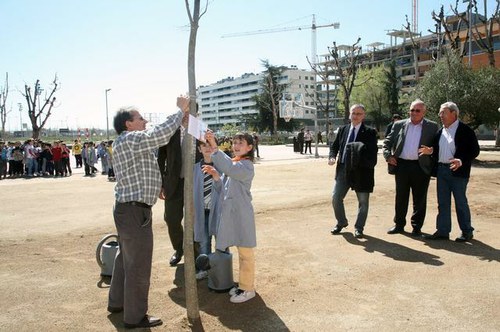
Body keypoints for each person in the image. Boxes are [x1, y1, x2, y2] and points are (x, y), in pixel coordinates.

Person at [107, 96, 189, 329]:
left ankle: (117, 303)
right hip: (134, 212)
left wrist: (158, 184)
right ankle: (135, 318)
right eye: (140, 118)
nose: (144, 121)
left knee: (125, 260)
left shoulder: (128, 141)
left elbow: (145, 165)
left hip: (128, 209)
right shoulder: (131, 139)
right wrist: (179, 111)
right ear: (128, 124)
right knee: (138, 266)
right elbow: (158, 136)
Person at [204, 130, 257, 303]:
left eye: (240, 143)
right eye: (234, 143)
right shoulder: (236, 163)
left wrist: (214, 146)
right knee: (241, 250)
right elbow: (223, 190)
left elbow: (229, 168)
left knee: (246, 253)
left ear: (250, 147)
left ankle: (248, 289)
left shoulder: (246, 166)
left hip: (241, 214)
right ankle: (243, 286)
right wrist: (216, 177)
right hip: (234, 214)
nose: (236, 146)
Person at [424, 102, 480, 242]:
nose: (440, 115)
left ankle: (467, 231)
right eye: (440, 113)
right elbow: (437, 149)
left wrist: (461, 160)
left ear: (453, 113)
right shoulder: (441, 131)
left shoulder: (465, 130)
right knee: (442, 202)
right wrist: (431, 151)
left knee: (460, 202)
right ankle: (443, 231)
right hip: (442, 171)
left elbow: (474, 150)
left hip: (458, 172)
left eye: (443, 112)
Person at [383, 99, 438, 236]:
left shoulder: (432, 127)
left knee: (419, 199)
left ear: (424, 112)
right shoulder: (399, 125)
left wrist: (431, 151)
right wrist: (388, 156)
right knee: (401, 197)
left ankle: (417, 227)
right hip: (401, 166)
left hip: (421, 167)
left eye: (417, 110)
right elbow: (387, 142)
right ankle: (399, 225)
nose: (414, 113)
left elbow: (438, 146)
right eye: (412, 110)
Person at [328, 104, 378, 238]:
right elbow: (335, 146)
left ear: (363, 116)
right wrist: (332, 156)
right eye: (353, 113)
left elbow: (372, 155)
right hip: (343, 169)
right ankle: (341, 222)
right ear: (350, 114)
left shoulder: (370, 132)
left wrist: (359, 161)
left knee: (363, 202)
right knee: (336, 197)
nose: (355, 116)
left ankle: (359, 228)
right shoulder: (343, 129)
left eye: (359, 114)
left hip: (361, 172)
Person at [193, 140, 224, 280]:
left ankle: (222, 266)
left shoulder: (222, 167)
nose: (207, 148)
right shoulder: (195, 169)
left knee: (221, 239)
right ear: (199, 149)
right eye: (203, 146)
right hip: (202, 211)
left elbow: (224, 188)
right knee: (204, 241)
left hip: (217, 210)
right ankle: (204, 268)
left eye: (209, 145)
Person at [158, 128, 185, 267]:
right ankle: (179, 249)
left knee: (197, 220)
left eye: (189, 111)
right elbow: (160, 158)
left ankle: (198, 254)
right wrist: (161, 184)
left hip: (195, 183)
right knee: (171, 218)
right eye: (183, 111)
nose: (185, 115)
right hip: (173, 183)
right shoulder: (170, 132)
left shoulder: (200, 130)